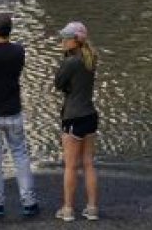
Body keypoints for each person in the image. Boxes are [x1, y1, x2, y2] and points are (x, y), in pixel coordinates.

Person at [0, 12, 39, 219]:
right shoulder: (19, 51)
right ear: (10, 31)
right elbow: (17, 72)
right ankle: (29, 203)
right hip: (13, 110)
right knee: (20, 155)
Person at [54, 21, 99, 222]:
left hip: (73, 117)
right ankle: (92, 208)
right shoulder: (91, 58)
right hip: (90, 116)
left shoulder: (70, 62)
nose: (62, 41)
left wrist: (65, 59)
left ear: (75, 40)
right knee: (88, 164)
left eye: (66, 38)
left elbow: (58, 83)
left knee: (71, 166)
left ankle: (68, 209)